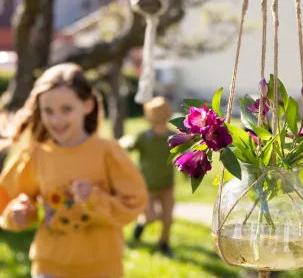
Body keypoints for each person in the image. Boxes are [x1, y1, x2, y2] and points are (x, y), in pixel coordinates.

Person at [0, 63, 148, 278]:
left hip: (101, 269)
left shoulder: (108, 152)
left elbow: (134, 204)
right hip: (49, 266)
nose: (56, 120)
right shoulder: (36, 155)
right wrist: (18, 214)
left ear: (87, 106)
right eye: (48, 111)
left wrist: (93, 198)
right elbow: (7, 198)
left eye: (66, 109)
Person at [119, 96, 175, 258]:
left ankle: (164, 244)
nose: (160, 127)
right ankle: (141, 225)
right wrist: (123, 144)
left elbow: (184, 152)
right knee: (149, 216)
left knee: (167, 219)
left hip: (167, 185)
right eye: (156, 123)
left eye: (162, 122)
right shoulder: (144, 137)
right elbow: (128, 145)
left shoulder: (172, 137)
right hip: (147, 186)